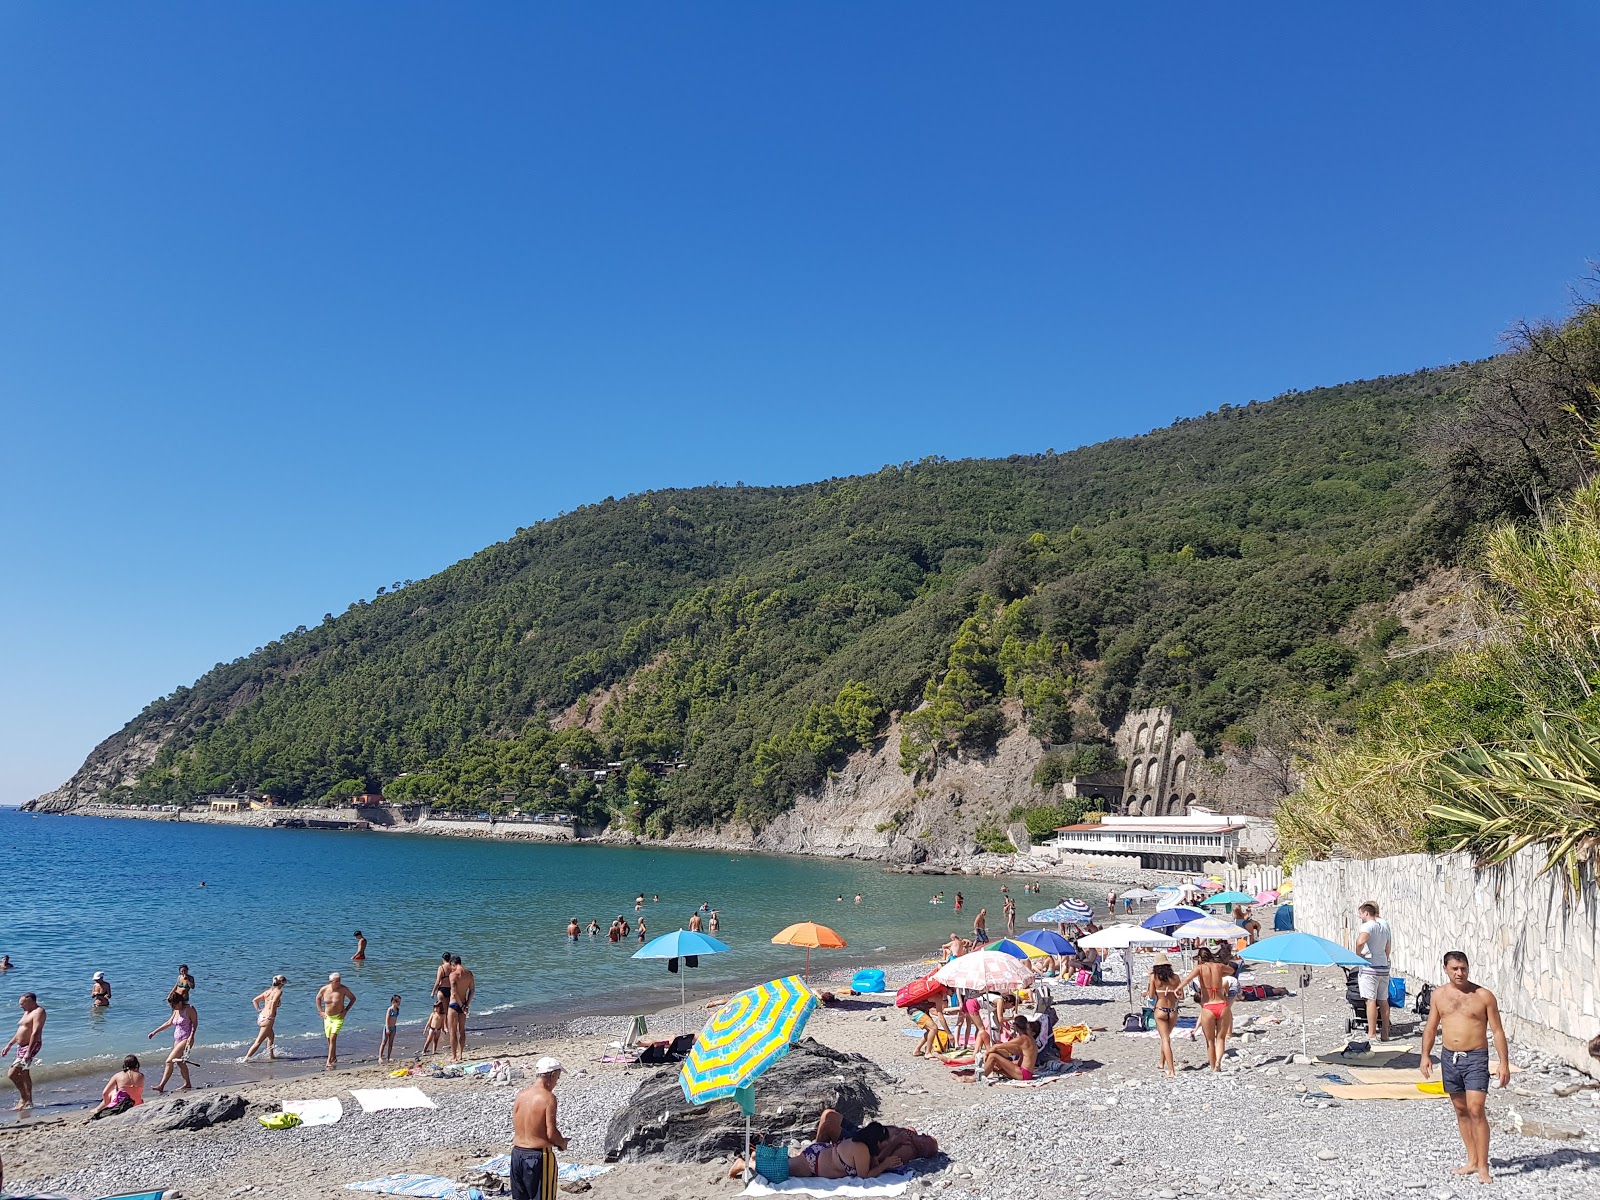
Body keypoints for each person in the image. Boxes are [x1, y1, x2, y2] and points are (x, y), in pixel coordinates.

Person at [1420, 951, 1510, 1184]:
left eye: (1463, 968)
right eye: (1455, 969)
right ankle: (1471, 1160)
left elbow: (1497, 1031)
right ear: (1445, 969)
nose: (1460, 973)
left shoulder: (1483, 996)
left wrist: (1503, 1063)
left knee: (1476, 1108)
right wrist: (1425, 1056)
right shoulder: (1439, 995)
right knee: (1460, 1109)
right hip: (1450, 1058)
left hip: (1476, 1058)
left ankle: (1483, 1166)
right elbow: (1431, 1027)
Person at [510, 1057, 567, 1199]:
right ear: (552, 1075)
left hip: (517, 1154)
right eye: (557, 1078)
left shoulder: (521, 1095)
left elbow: (518, 1124)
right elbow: (551, 1133)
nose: (556, 1082)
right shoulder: (548, 1098)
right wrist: (562, 1143)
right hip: (538, 1156)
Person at [1180, 948, 1230, 1072]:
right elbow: (1231, 970)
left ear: (1200, 958)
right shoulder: (1219, 966)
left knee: (1210, 1041)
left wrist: (1177, 989)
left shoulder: (1200, 968)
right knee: (1221, 1038)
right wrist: (1221, 973)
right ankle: (1218, 1061)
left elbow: (1187, 980)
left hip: (1208, 1006)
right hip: (1222, 1005)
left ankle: (1213, 1067)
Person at [1353, 900, 1393, 1041]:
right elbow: (1387, 947)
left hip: (1370, 967)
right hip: (1383, 966)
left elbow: (1360, 942)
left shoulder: (1368, 926)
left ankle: (1372, 1033)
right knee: (1383, 1001)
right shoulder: (1383, 927)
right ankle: (1385, 1033)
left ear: (1366, 913)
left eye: (1361, 914)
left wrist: (1358, 954)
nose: (1361, 917)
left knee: (1370, 1000)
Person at [148, 990, 196, 1092]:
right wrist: (154, 1032)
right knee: (180, 1063)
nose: (172, 1007)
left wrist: (191, 1036)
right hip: (177, 1040)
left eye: (173, 1005)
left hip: (186, 1039)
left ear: (179, 1002)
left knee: (169, 1061)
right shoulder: (176, 1011)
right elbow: (169, 1023)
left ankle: (161, 1085)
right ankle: (187, 1084)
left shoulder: (189, 1009)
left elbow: (195, 1024)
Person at [4, 994, 46, 1110]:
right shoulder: (27, 1012)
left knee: (12, 1073)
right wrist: (9, 1045)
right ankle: (29, 1101)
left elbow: (35, 1032)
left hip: (30, 1046)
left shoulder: (39, 1011)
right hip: (21, 1047)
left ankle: (24, 1098)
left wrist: (29, 1051)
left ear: (30, 1000)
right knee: (24, 1073)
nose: (21, 1006)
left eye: (22, 1004)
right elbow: (20, 1031)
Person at [1146, 954, 1183, 1078]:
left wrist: (1150, 986)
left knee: (1165, 1039)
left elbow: (1151, 996)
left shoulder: (1154, 978)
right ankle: (1161, 1062)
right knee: (1166, 1037)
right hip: (1172, 1010)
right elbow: (1181, 996)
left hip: (1160, 1009)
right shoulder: (1176, 978)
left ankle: (1171, 1070)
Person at [242, 974, 287, 1062]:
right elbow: (274, 1002)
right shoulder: (278, 992)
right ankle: (245, 1059)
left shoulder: (267, 992)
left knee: (271, 1036)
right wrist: (271, 1015)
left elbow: (255, 1000)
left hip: (261, 1016)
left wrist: (259, 1010)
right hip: (268, 1019)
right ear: (282, 983)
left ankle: (271, 1055)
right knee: (258, 1042)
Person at [981, 1015, 1040, 1082]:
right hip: (1027, 1074)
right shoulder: (1030, 1039)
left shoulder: (1022, 1039)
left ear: (1016, 1027)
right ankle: (983, 1074)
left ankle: (979, 1077)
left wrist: (986, 1054)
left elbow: (996, 1046)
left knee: (993, 1056)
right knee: (996, 1067)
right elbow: (1022, 1060)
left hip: (1023, 1073)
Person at [316, 972, 356, 1068]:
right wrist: (320, 1011)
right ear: (331, 981)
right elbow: (318, 998)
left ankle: (328, 1061)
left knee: (333, 1038)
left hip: (338, 1017)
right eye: (337, 981)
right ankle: (333, 1057)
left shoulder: (343, 989)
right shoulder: (324, 989)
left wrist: (345, 1010)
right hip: (328, 1018)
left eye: (340, 980)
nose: (339, 982)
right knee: (329, 1039)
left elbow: (353, 998)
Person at [88, 1055, 144, 1120]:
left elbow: (105, 1093)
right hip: (137, 1104)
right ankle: (98, 1108)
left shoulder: (118, 1075)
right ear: (137, 1064)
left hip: (121, 1105)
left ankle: (98, 1108)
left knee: (112, 1092)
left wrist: (107, 1106)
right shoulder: (141, 1076)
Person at [447, 955, 475, 1062]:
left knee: (452, 1031)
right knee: (462, 1030)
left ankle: (454, 1056)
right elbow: (472, 990)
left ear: (453, 964)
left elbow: (453, 993)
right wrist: (466, 1004)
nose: (452, 969)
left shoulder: (453, 975)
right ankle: (461, 1054)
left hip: (454, 1005)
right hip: (463, 1003)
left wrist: (462, 1006)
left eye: (452, 967)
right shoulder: (469, 974)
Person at [380, 994, 401, 1062]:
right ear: (393, 1002)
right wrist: (388, 1028)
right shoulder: (390, 1009)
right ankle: (380, 1057)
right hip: (387, 1027)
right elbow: (386, 1020)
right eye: (398, 1002)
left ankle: (388, 1057)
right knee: (384, 1042)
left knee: (391, 1043)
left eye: (399, 1002)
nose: (399, 1003)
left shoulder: (397, 1010)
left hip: (393, 1028)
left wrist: (393, 1028)